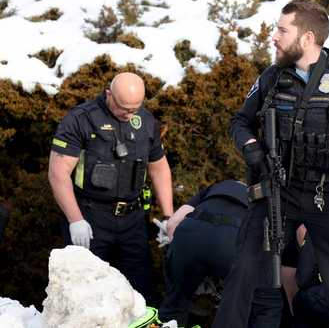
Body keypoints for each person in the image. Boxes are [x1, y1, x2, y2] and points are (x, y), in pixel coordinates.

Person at [215, 0, 329, 328]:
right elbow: (239, 122)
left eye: (283, 30)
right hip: (276, 191)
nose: (274, 37)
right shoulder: (271, 78)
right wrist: (251, 146)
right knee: (242, 272)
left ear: (308, 37)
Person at [48, 72, 173, 301]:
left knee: (140, 293)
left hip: (133, 220)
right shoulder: (80, 119)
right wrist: (75, 220)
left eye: (135, 108)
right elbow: (58, 173)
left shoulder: (145, 121)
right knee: (86, 294)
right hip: (91, 218)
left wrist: (169, 217)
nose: (129, 114)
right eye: (124, 108)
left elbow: (159, 168)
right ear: (109, 95)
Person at [158, 180, 283, 328]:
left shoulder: (216, 187)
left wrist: (182, 257)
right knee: (266, 306)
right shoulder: (269, 197)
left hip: (191, 233)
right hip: (234, 238)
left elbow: (173, 224)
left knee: (173, 307)